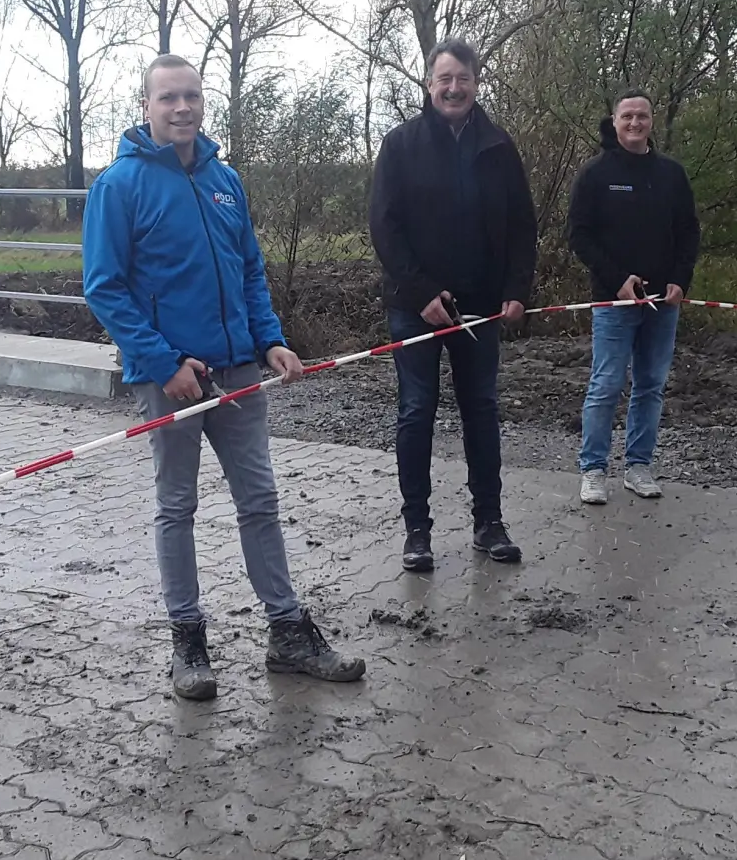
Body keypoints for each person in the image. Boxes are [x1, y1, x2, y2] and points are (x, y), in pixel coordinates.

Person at [80, 53, 366, 701]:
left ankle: (289, 634)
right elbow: (105, 288)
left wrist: (272, 342)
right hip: (172, 379)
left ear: (202, 103)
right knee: (176, 507)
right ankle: (188, 643)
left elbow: (250, 272)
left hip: (238, 373)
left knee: (260, 502)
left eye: (191, 96)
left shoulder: (225, 180)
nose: (181, 108)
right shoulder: (118, 187)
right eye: (168, 98)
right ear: (145, 107)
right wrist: (162, 363)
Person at [367, 37, 538, 572]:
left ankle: (489, 522)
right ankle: (417, 531)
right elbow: (384, 228)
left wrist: (516, 290)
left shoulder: (499, 148)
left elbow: (521, 229)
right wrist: (422, 293)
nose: (453, 87)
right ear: (429, 84)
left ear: (475, 83)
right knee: (417, 411)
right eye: (444, 79)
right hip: (413, 307)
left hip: (481, 307)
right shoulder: (400, 146)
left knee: (481, 410)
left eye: (462, 78)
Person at [567, 89, 702, 504]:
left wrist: (681, 279)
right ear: (615, 120)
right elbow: (579, 236)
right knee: (606, 384)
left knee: (651, 384)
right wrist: (616, 279)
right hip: (613, 300)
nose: (634, 123)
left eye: (641, 116)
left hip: (663, 302)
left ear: (651, 121)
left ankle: (639, 466)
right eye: (627, 116)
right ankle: (593, 470)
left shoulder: (671, 174)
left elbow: (689, 232)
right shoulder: (594, 174)